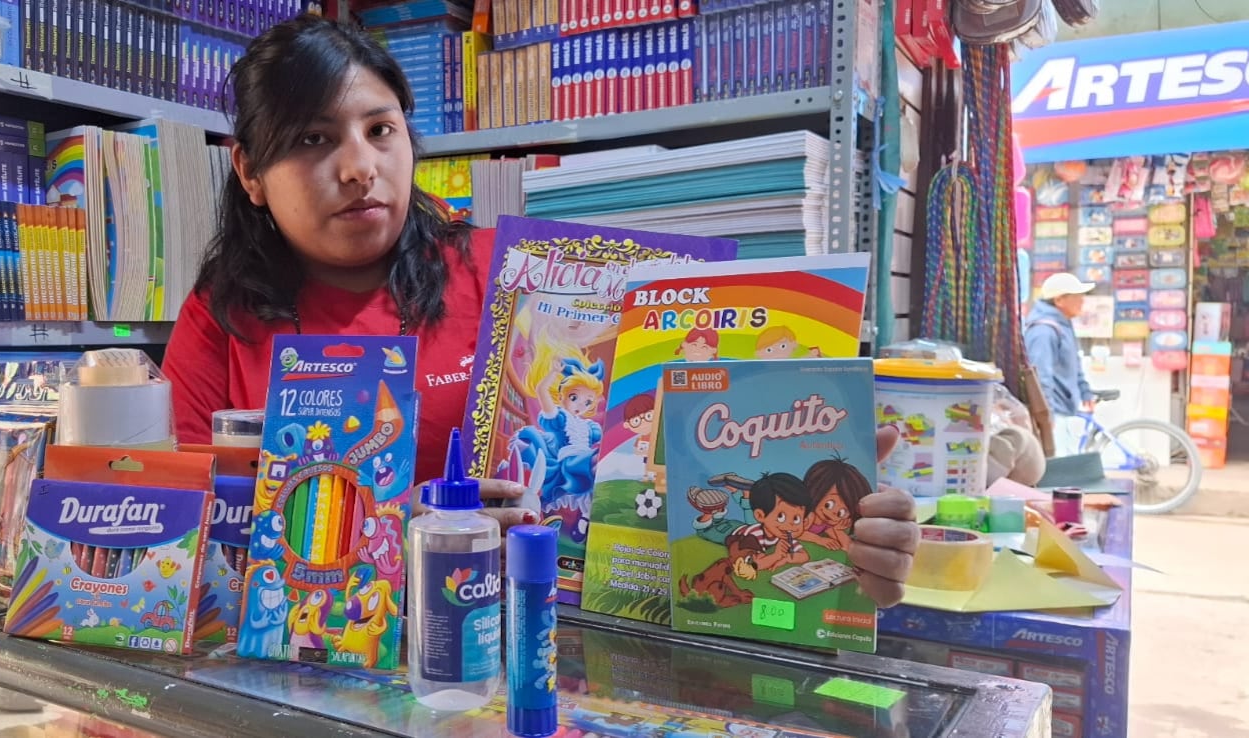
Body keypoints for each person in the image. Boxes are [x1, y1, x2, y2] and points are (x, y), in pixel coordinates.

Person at [161, 15, 919, 606]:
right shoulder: (220, 319)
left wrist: (841, 532)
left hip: (534, 633)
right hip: (324, 643)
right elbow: (186, 554)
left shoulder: (520, 276)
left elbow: (677, 472)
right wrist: (400, 532)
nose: (361, 166)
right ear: (249, 170)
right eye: (313, 138)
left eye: (380, 130)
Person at [1024, 272, 1097, 456]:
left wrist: (1084, 389)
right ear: (1059, 300)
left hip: (1064, 410)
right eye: (1077, 296)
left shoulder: (1063, 325)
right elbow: (1041, 377)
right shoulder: (1043, 331)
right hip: (1055, 413)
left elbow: (1074, 363)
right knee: (1058, 465)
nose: (1082, 301)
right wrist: (1046, 416)